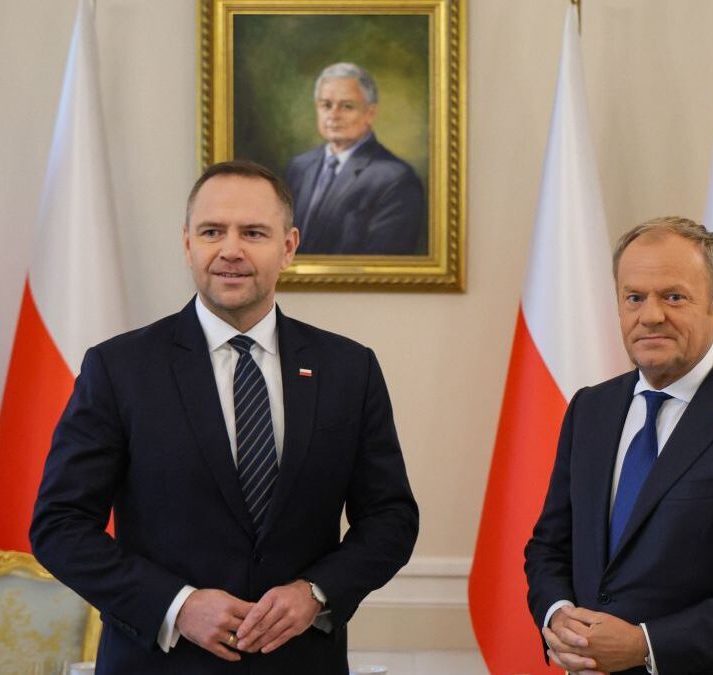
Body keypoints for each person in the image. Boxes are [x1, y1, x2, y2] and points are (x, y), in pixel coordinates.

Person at [30, 160, 419, 673]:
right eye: (212, 231)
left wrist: (316, 592)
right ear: (187, 244)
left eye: (253, 233)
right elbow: (59, 526)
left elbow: (391, 518)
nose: (230, 250)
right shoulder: (119, 369)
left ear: (288, 247)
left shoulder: (349, 369)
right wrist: (178, 605)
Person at [524, 217, 713, 674]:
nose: (651, 315)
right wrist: (557, 614)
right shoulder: (590, 410)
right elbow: (550, 546)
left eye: (673, 296)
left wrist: (648, 645)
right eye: (634, 297)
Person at [286, 62, 426, 256]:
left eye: (347, 106)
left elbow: (384, 261)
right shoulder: (299, 167)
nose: (333, 115)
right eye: (326, 105)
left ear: (370, 114)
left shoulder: (396, 179)